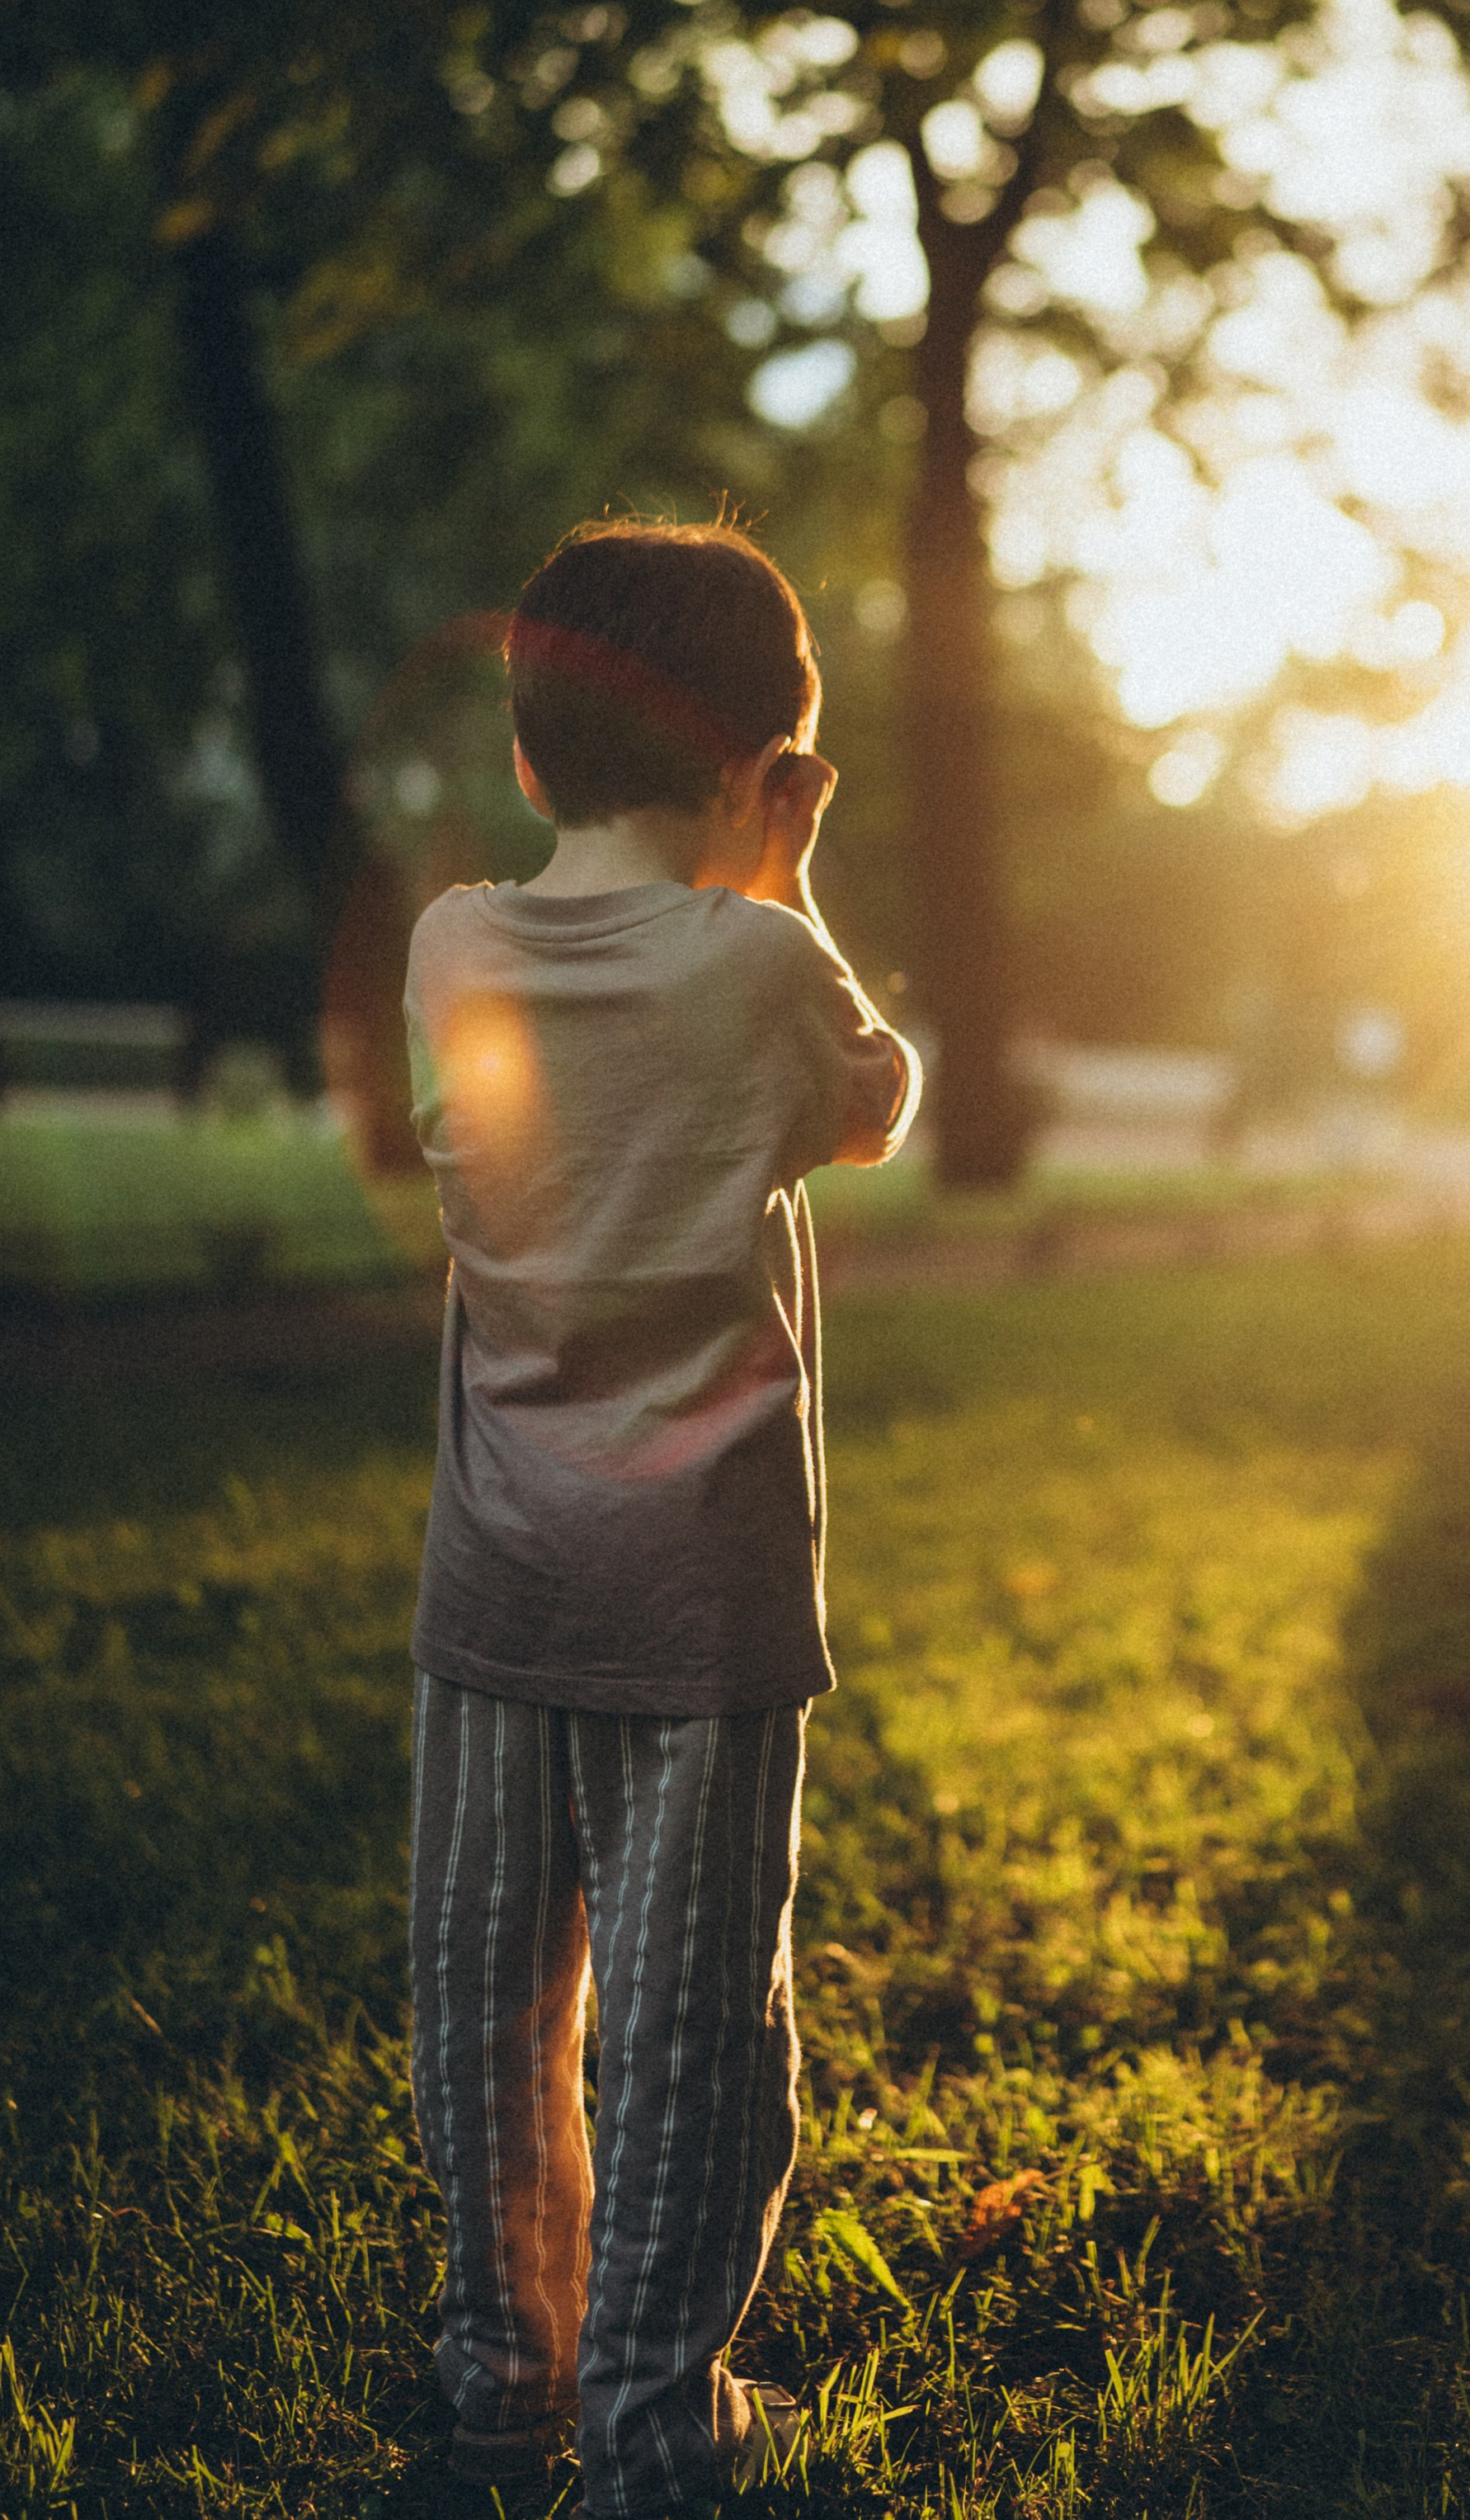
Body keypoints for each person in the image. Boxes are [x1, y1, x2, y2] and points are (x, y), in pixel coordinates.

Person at [398, 518, 919, 2515]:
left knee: (487, 1984)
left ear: (531, 759)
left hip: (495, 1581)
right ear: (756, 772)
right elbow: (872, 1098)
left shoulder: (457, 947)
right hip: (696, 1603)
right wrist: (778, 879)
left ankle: (494, 2377)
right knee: (692, 2013)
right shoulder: (756, 960)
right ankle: (651, 2419)